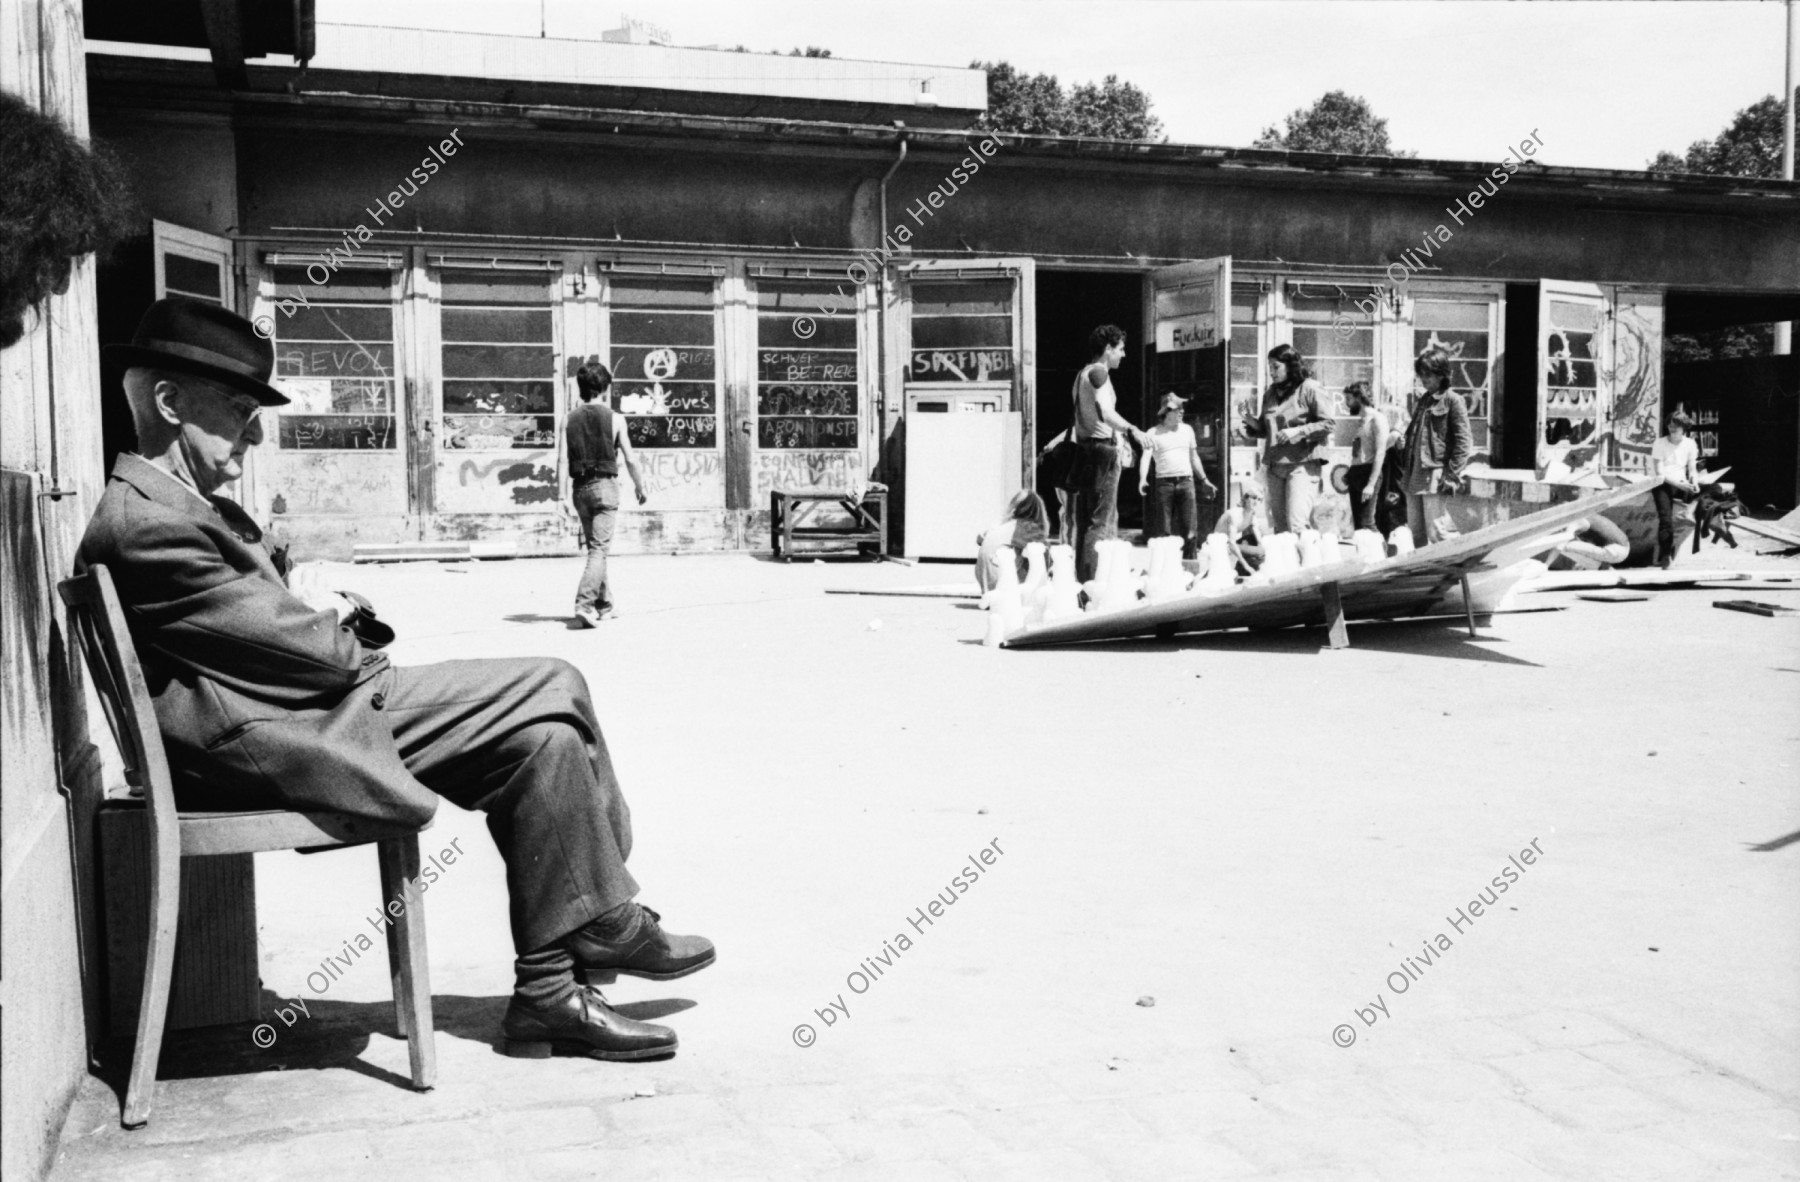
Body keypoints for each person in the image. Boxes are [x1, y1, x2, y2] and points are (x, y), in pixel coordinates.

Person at [79, 298, 713, 1063]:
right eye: (239, 409)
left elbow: (261, 623)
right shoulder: (150, 522)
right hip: (284, 738)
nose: (253, 431)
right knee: (555, 676)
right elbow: (325, 657)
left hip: (291, 716)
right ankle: (610, 918)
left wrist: (311, 611)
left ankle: (548, 995)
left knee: (542, 743)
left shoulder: (173, 507)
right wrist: (337, 621)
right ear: (170, 402)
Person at [567, 364, 648, 627]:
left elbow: (559, 461)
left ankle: (605, 605)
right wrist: (640, 485)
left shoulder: (567, 418)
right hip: (605, 487)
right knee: (599, 550)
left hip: (579, 489)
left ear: (581, 389)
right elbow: (631, 459)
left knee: (595, 549)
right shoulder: (615, 419)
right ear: (604, 388)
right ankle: (584, 605)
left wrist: (559, 498)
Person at [1070, 325, 1150, 582]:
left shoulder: (1082, 373)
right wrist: (1132, 429)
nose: (1124, 355)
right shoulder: (1099, 373)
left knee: (1087, 521)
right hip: (1102, 449)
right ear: (1108, 349)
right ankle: (1095, 583)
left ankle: (1083, 583)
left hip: (1084, 449)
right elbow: (1105, 412)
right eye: (1121, 349)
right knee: (1101, 522)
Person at [1240, 344, 1334, 534]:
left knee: (1297, 525)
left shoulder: (1310, 388)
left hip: (1302, 465)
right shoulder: (1270, 393)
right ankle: (1285, 563)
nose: (1271, 372)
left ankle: (1307, 563)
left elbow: (1329, 424)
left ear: (1290, 366)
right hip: (1275, 466)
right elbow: (1267, 429)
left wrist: (1298, 431)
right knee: (1280, 528)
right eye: (1269, 367)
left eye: (1276, 367)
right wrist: (1249, 419)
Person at [1397, 347, 1473, 549]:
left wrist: (1451, 474)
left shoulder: (1453, 400)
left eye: (1428, 375)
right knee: (1416, 532)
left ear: (1442, 374)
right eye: (1421, 375)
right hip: (1414, 473)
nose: (1423, 380)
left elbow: (1464, 443)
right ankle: (1425, 576)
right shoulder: (1424, 400)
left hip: (1434, 474)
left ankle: (1456, 569)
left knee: (1436, 532)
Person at [1138, 393, 1218, 559]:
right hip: (1164, 484)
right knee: (1163, 531)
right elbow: (1145, 458)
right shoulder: (1153, 433)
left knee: (1190, 530)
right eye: (1176, 409)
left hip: (1186, 482)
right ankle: (1165, 567)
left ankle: (1190, 564)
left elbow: (1194, 457)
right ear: (1165, 412)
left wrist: (1204, 480)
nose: (1181, 412)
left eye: (1182, 409)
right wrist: (1142, 479)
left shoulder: (1187, 430)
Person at [1650, 410, 1700, 569]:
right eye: (1670, 426)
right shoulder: (1659, 443)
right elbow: (1660, 473)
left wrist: (1695, 482)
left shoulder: (1690, 444)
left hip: (1681, 482)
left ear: (1683, 428)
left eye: (1675, 428)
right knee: (1666, 520)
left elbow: (1692, 469)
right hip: (1663, 483)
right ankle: (1665, 556)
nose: (1672, 430)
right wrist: (1680, 485)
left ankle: (1692, 511)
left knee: (1714, 490)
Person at [975, 490, 1050, 593]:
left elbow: (979, 539)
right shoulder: (1028, 527)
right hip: (1004, 590)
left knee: (1019, 551)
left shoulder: (1003, 524)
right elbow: (1043, 554)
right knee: (1038, 552)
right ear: (1039, 511)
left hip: (987, 586)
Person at [1342, 381, 1389, 534]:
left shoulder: (1377, 419)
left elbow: (1380, 453)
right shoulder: (1361, 421)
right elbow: (1360, 451)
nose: (1346, 404)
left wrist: (1370, 484)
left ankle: (1381, 554)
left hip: (1369, 474)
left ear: (1358, 397)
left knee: (1367, 523)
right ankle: (1365, 556)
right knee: (1358, 526)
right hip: (1356, 473)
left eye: (1348, 399)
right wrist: (1350, 472)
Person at [1213, 485, 1266, 575]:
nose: (1256, 502)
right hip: (1219, 546)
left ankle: (1242, 568)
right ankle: (1243, 567)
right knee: (1261, 552)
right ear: (1245, 498)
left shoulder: (1252, 515)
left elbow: (1260, 540)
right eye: (1254, 498)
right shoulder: (1234, 514)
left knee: (1262, 547)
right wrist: (1247, 566)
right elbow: (1231, 543)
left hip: (1230, 545)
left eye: (1259, 500)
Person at [1558, 514, 1631, 568]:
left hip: (1615, 551)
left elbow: (1560, 545)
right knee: (1574, 546)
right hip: (1622, 549)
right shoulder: (1590, 516)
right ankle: (1601, 567)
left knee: (1564, 546)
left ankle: (1601, 568)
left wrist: (1546, 564)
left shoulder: (1578, 522)